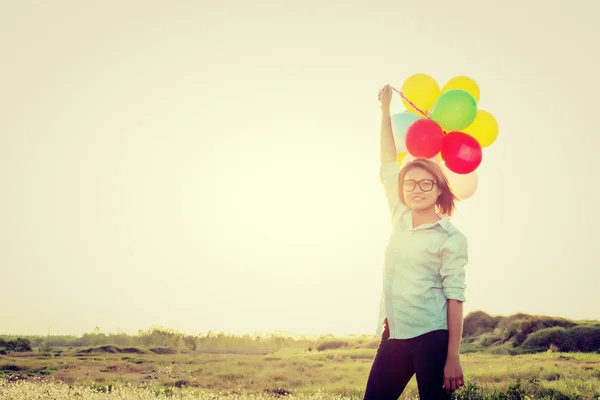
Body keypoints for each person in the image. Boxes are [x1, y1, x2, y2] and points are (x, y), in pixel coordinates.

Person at [363, 84, 469, 400]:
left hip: (432, 338)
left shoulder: (450, 238)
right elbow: (386, 162)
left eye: (426, 183)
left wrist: (453, 357)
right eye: (410, 183)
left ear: (439, 190)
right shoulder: (398, 215)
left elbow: (455, 298)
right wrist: (384, 110)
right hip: (394, 334)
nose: (417, 188)